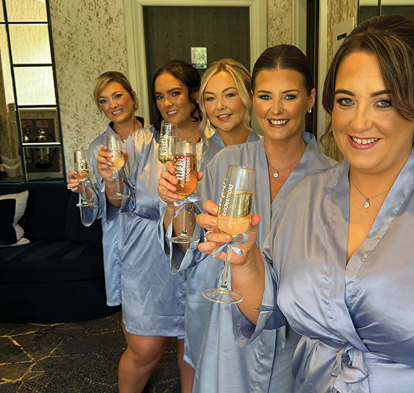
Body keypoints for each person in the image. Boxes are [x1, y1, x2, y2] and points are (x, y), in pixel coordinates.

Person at [196, 15, 414, 392]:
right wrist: (246, 261)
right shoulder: (306, 199)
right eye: (346, 101)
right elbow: (267, 309)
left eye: (384, 102)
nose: (359, 122)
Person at [158, 45, 335, 392]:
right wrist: (173, 204)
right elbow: (189, 245)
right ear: (253, 99)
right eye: (266, 96)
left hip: (296, 336)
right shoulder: (226, 162)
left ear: (311, 99)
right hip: (229, 326)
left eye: (290, 96)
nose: (277, 109)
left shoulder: (332, 178)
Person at [66, 70, 189, 393]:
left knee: (189, 341)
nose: (113, 105)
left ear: (133, 96)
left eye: (117, 95)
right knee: (144, 346)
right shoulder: (98, 149)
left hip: (168, 238)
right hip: (130, 247)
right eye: (103, 101)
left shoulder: (161, 137)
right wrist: (88, 189)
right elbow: (107, 205)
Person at [159, 58, 260, 379]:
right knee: (200, 363)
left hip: (259, 282)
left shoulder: (271, 152)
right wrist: (175, 203)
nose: (220, 106)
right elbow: (184, 239)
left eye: (229, 95)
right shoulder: (192, 158)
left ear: (248, 96)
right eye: (210, 98)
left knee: (252, 370)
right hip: (207, 280)